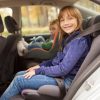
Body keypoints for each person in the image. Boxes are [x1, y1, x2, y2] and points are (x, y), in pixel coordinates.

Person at [0, 6, 92, 100]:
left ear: (78, 19)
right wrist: (40, 66)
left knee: (19, 81)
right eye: (62, 20)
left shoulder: (78, 42)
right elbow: (56, 60)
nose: (66, 23)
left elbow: (63, 69)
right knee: (19, 74)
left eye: (70, 18)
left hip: (66, 81)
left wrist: (39, 70)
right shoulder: (69, 38)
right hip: (61, 76)